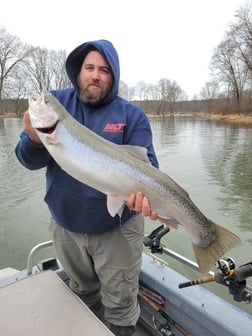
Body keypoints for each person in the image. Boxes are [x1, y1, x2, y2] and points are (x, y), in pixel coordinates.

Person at [15, 39, 159, 336]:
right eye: (89, 67)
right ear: (78, 72)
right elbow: (27, 160)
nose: (95, 75)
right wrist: (33, 139)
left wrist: (146, 199)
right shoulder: (56, 105)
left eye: (104, 70)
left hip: (118, 230)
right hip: (66, 227)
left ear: (113, 75)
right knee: (82, 295)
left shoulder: (132, 116)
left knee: (120, 307)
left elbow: (150, 171)